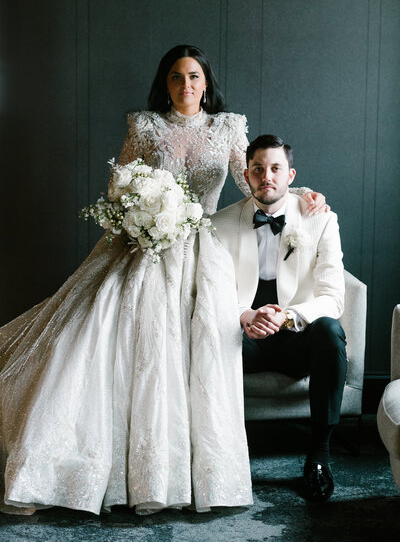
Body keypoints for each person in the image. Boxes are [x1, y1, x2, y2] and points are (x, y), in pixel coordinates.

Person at [0, 46, 325, 516]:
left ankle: (187, 476)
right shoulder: (145, 127)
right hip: (146, 245)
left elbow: (251, 179)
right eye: (176, 77)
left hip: (202, 251)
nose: (186, 85)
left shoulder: (227, 128)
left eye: (194, 77)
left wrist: (298, 191)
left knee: (199, 351)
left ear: (206, 83)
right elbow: (120, 187)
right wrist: (138, 216)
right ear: (165, 83)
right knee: (111, 335)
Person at [211, 134, 347, 502]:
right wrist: (243, 315)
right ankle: (215, 456)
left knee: (331, 331)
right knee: (204, 330)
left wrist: (287, 316)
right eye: (258, 169)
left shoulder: (320, 219)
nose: (266, 176)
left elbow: (333, 297)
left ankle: (319, 455)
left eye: (275, 168)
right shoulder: (220, 225)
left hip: (295, 337)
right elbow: (208, 294)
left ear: (291, 175)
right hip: (240, 339)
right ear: (247, 175)